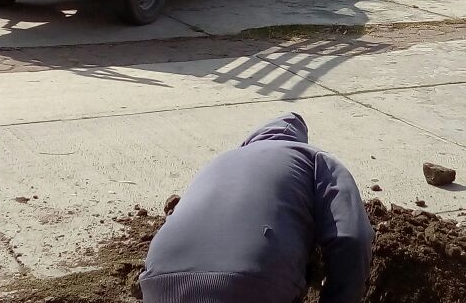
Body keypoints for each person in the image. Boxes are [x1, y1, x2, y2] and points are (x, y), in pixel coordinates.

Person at [140, 113, 373, 303]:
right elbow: (352, 236)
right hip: (251, 281)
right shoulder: (314, 158)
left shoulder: (223, 159)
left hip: (159, 279)